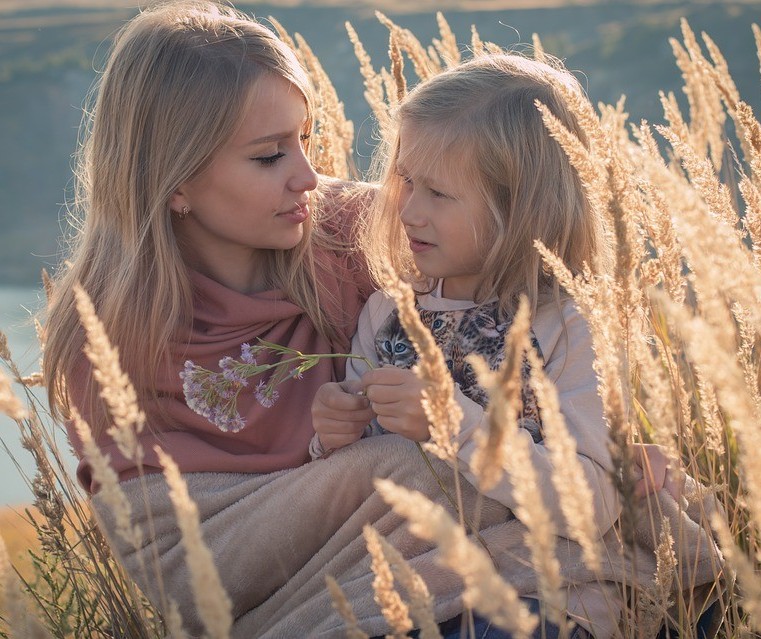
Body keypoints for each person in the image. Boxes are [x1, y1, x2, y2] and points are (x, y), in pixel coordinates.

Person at [41, 2, 720, 637]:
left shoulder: (354, 233)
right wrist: (342, 450)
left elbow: (523, 294)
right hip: (271, 550)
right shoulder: (106, 330)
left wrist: (599, 444)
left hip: (442, 531)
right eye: (269, 155)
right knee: (403, 468)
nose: (310, 176)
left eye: (305, 140)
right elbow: (167, 552)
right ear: (175, 179)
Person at [310, 54, 722, 638]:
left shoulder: (566, 328)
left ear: (519, 206)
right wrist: (331, 434)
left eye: (438, 192)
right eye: (405, 180)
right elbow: (361, 482)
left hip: (547, 589)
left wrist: (455, 423)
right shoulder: (388, 315)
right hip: (425, 578)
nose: (407, 207)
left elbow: (591, 505)